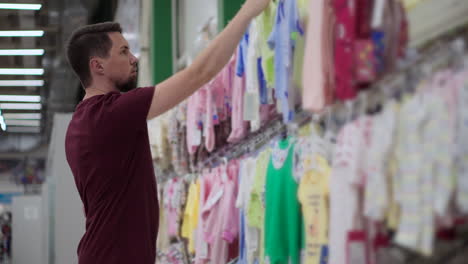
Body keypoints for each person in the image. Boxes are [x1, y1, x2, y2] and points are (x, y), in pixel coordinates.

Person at [64, 0, 271, 263]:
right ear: (98, 66)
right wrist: (247, 12)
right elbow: (200, 73)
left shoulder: (80, 123)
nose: (134, 58)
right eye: (124, 51)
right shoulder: (111, 113)